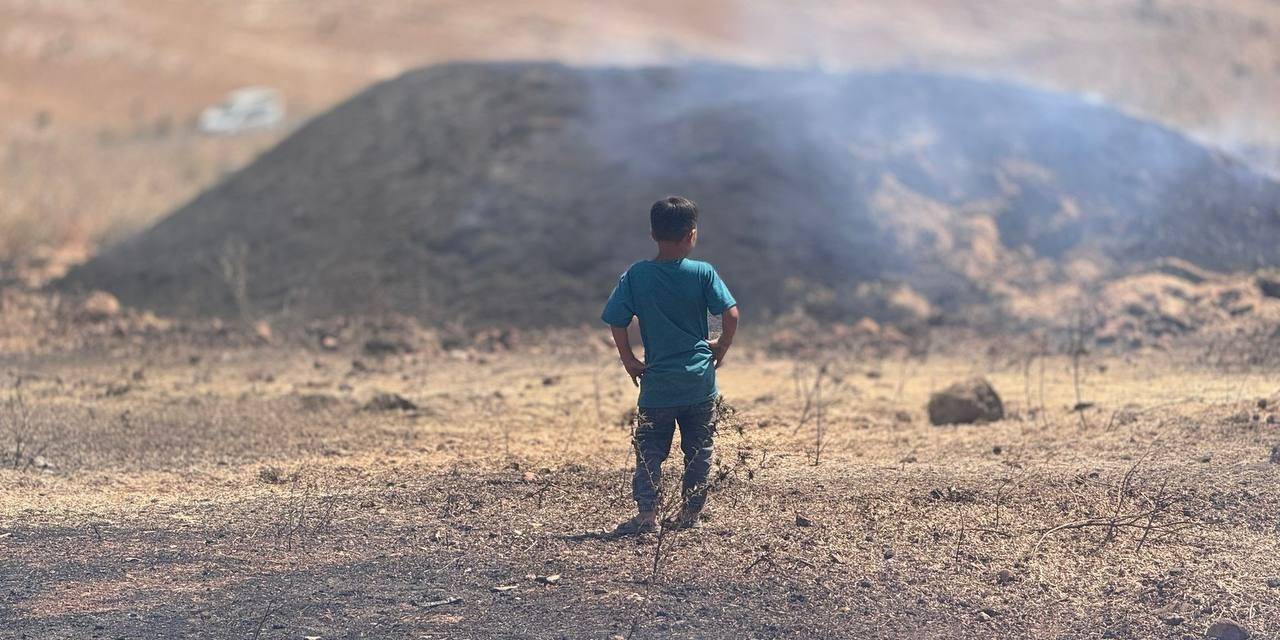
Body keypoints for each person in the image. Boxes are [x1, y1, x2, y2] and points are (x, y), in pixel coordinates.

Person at [601, 195, 739, 535]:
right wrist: (720, 347)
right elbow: (730, 314)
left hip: (657, 385)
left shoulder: (637, 275)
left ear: (652, 234)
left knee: (649, 450)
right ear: (692, 235)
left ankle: (647, 516)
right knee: (699, 450)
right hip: (699, 384)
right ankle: (689, 516)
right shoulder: (703, 273)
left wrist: (629, 359)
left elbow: (616, 320)